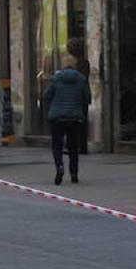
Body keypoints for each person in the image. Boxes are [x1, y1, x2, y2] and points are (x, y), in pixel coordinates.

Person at [41, 53, 90, 185]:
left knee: (57, 145)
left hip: (57, 117)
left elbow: (46, 96)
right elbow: (87, 98)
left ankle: (60, 167)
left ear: (63, 65)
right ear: (75, 65)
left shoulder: (56, 78)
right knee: (73, 146)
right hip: (75, 117)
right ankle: (74, 173)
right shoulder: (81, 79)